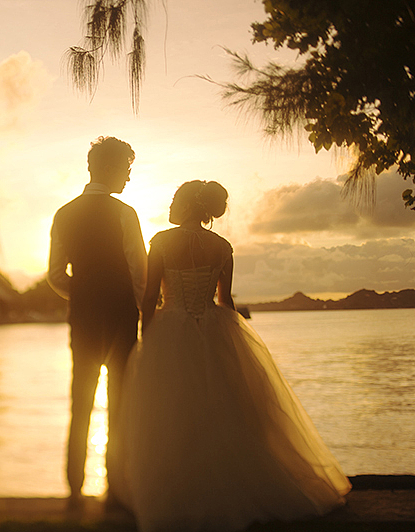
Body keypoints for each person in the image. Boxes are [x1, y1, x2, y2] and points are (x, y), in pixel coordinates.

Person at [119, 180, 351, 531]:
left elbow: (151, 297)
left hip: (170, 331)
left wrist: (145, 337)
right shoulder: (222, 247)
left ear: (185, 206)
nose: (170, 206)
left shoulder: (162, 242)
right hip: (214, 327)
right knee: (223, 412)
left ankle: (180, 491)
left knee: (172, 414)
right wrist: (233, 338)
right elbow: (225, 300)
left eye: (174, 201)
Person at [48, 136, 147, 510]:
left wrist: (84, 294)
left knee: (81, 403)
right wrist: (146, 312)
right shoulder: (125, 213)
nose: (128, 177)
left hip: (83, 320)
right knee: (119, 404)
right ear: (108, 167)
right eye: (126, 169)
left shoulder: (63, 214)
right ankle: (114, 491)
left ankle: (74, 489)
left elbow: (56, 275)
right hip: (122, 317)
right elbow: (139, 273)